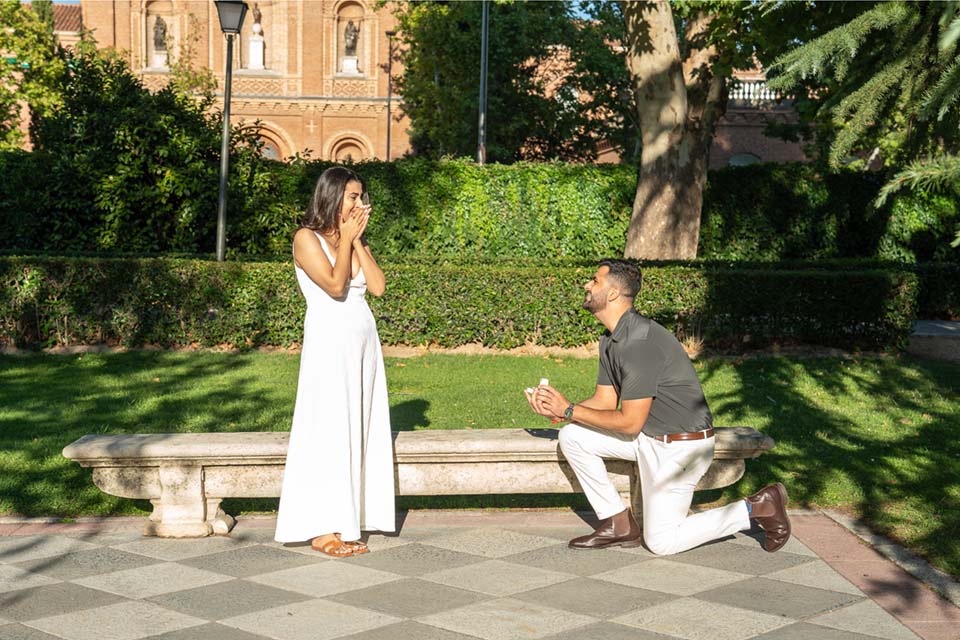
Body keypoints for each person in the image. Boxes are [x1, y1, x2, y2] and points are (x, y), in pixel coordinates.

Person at [527, 259, 790, 555]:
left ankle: (758, 507)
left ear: (613, 294)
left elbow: (629, 423)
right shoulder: (611, 338)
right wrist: (559, 411)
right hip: (649, 437)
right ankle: (618, 523)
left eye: (595, 281)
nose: (587, 285)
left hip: (678, 450)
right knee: (574, 437)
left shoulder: (639, 344)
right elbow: (603, 402)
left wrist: (570, 410)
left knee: (662, 542)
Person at [274, 167, 395, 557]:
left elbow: (377, 286)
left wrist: (356, 241)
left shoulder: (351, 239)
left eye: (361, 197)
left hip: (362, 347)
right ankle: (321, 527)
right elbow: (334, 284)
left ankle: (348, 519)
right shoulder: (305, 238)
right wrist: (344, 239)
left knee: (357, 427)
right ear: (331, 197)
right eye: (353, 197)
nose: (360, 204)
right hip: (329, 345)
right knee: (328, 429)